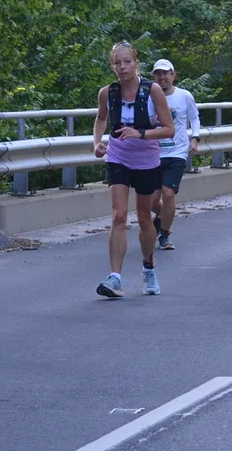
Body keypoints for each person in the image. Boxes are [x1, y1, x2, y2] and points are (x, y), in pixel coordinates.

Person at [93, 42, 176, 298]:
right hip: (118, 157)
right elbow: (101, 118)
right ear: (112, 65)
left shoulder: (152, 92)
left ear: (136, 63)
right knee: (118, 215)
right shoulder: (108, 93)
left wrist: (140, 133)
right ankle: (115, 278)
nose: (122, 67)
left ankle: (148, 266)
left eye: (127, 61)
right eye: (117, 62)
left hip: (146, 161)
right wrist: (97, 142)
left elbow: (168, 129)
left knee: (143, 217)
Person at [151, 58, 201, 250]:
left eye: (166, 73)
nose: (162, 77)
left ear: (173, 75)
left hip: (177, 152)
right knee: (152, 202)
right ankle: (163, 217)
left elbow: (194, 118)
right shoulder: (149, 96)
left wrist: (195, 138)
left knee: (168, 194)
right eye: (158, 73)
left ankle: (164, 235)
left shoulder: (184, 96)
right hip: (153, 153)